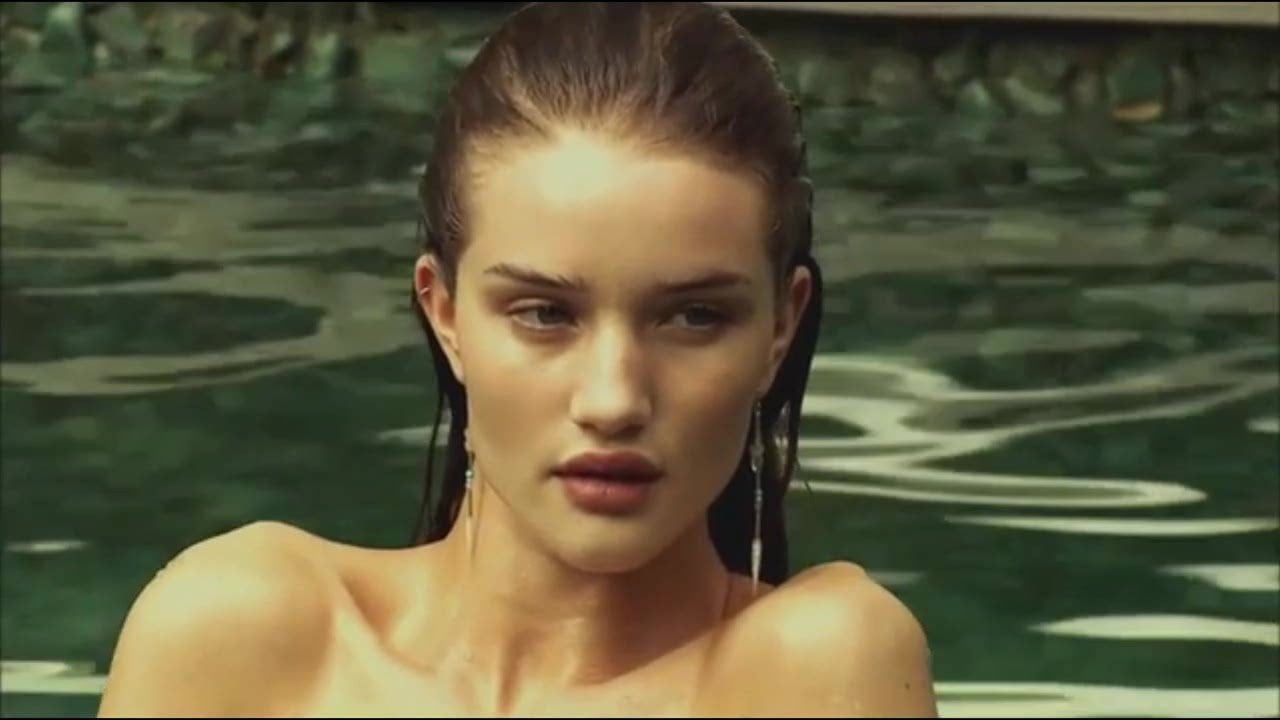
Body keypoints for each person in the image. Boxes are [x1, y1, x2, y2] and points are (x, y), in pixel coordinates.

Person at [97, 3, 937, 717]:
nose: (613, 400)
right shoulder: (243, 635)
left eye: (694, 316)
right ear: (445, 313)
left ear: (780, 329)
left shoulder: (817, 665)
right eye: (544, 314)